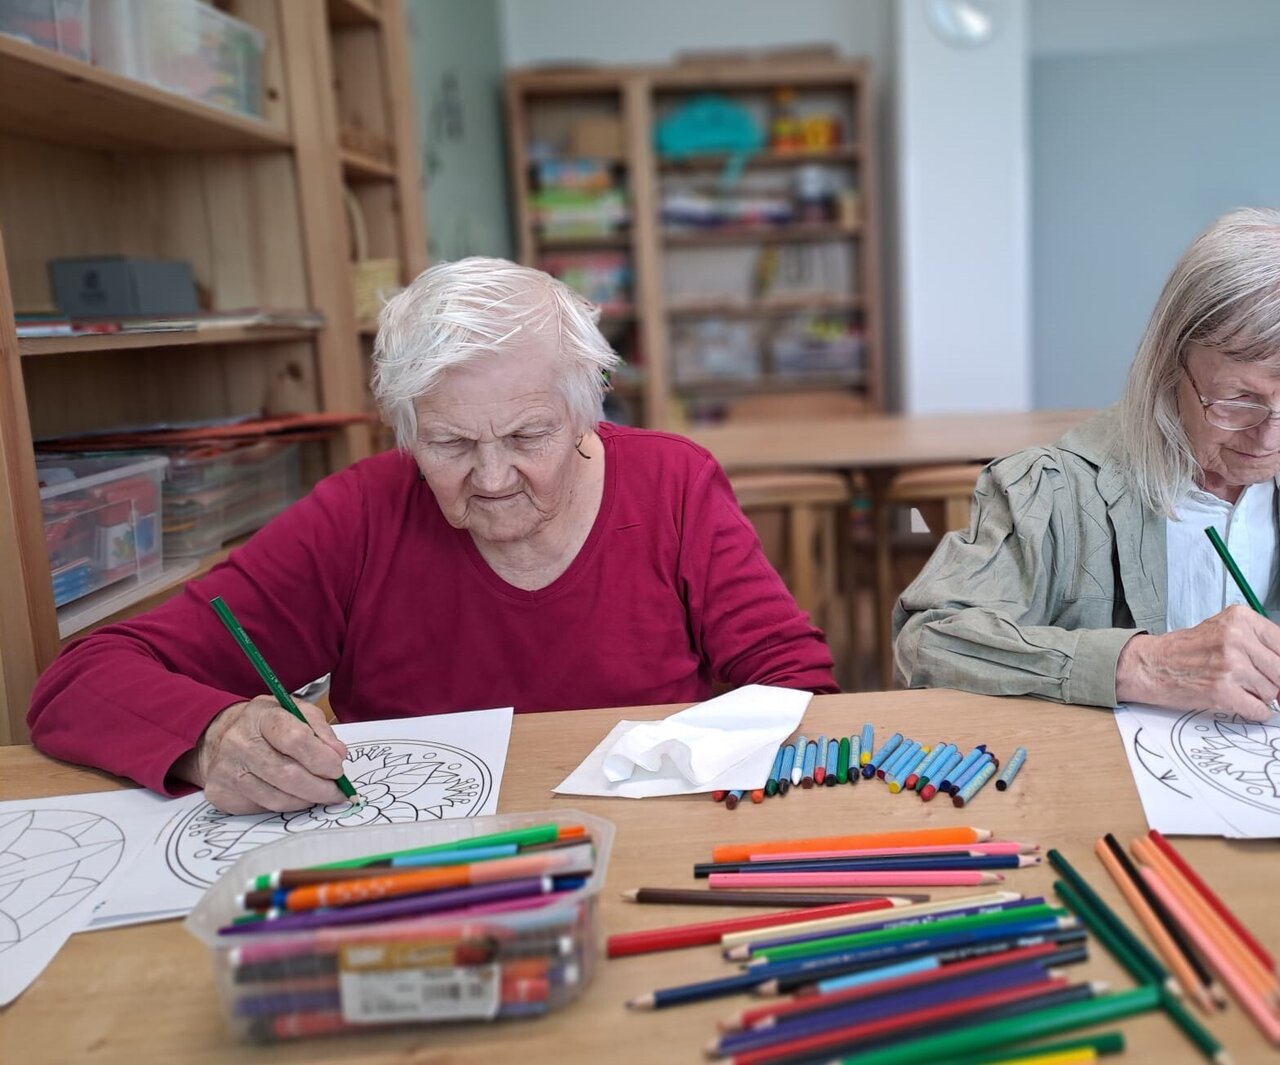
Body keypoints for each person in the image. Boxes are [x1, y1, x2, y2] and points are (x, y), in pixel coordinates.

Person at [28, 258, 837, 813]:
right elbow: (79, 680)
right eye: (449, 444)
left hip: (648, 846)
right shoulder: (358, 517)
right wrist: (211, 738)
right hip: (419, 868)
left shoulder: (672, 485)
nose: (492, 478)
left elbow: (796, 687)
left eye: (527, 436)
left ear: (584, 415)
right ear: (407, 431)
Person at [894, 208, 1280, 722]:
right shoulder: (1058, 490)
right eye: (1239, 399)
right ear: (1170, 368)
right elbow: (929, 640)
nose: (1273, 436)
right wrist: (1142, 664)